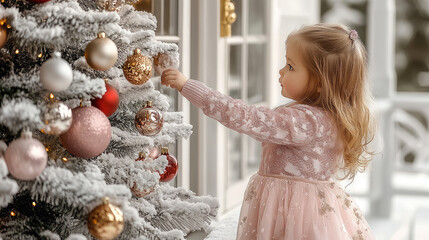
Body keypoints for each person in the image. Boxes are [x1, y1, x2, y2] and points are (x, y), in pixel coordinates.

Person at [161, 23, 376, 239]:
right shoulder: (324, 117)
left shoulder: (306, 121)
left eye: (290, 66)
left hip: (294, 215)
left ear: (320, 82)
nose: (281, 71)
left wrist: (187, 85)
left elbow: (243, 116)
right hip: (296, 209)